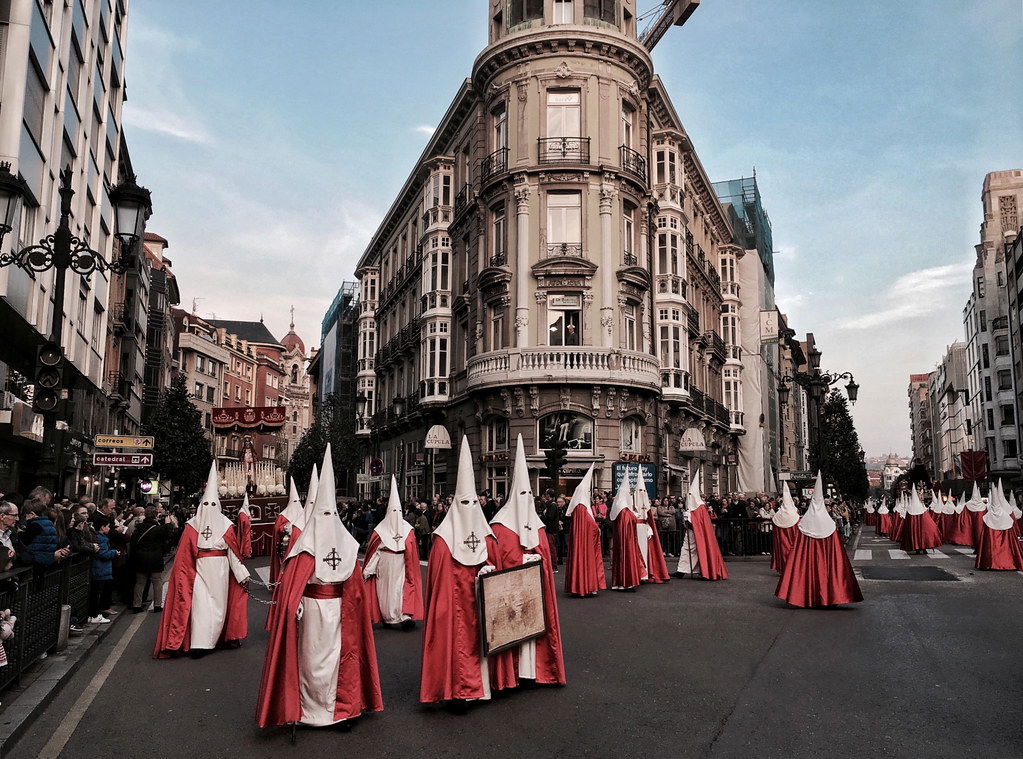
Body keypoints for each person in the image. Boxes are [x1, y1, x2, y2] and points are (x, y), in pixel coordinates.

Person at [256, 445, 382, 729]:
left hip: (339, 612)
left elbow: (355, 585)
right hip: (312, 611)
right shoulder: (305, 547)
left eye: (330, 514)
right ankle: (309, 710)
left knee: (339, 660)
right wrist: (296, 602)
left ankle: (341, 710)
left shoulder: (346, 546)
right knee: (310, 661)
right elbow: (292, 584)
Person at [420, 436, 497, 705]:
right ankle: (455, 689)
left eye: (473, 504)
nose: (468, 510)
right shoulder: (443, 540)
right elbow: (438, 582)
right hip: (454, 608)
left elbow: (495, 566)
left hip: (479, 604)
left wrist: (490, 572)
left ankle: (481, 688)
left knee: (480, 642)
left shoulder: (487, 537)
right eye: (463, 504)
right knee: (455, 643)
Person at [487, 435, 566, 691]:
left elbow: (545, 552)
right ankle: (512, 674)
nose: (525, 498)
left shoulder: (538, 524)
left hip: (534, 592)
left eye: (528, 494)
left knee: (534, 632)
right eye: (521, 493)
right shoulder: (500, 525)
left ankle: (533, 671)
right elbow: (500, 558)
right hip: (510, 595)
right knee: (511, 629)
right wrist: (523, 559)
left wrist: (538, 560)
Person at [153, 462, 250, 658]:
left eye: (212, 504)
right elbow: (184, 556)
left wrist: (242, 575)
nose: (208, 508)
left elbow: (233, 553)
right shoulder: (191, 526)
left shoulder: (226, 525)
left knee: (218, 608)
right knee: (200, 606)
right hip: (198, 572)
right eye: (205, 504)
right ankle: (200, 643)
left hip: (220, 573)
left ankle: (215, 639)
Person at [775, 473, 862, 608]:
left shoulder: (804, 524)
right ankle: (830, 595)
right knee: (828, 569)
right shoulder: (829, 524)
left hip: (809, 557)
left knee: (807, 569)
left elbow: (798, 551)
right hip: (826, 556)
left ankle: (806, 595)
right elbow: (837, 555)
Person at [362, 476, 424, 629]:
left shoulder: (407, 530)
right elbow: (375, 551)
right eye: (393, 511)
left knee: (400, 589)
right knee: (384, 592)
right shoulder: (380, 530)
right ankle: (386, 616)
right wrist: (369, 569)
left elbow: (411, 550)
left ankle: (403, 616)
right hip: (384, 563)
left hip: (401, 563)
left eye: (398, 511)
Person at [675, 472, 728, 581]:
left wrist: (691, 523)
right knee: (686, 550)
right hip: (690, 533)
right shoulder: (692, 507)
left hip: (697, 534)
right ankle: (681, 570)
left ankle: (702, 570)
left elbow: (701, 523)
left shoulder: (700, 507)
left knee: (698, 551)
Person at [563, 464, 605, 598]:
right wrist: (596, 527)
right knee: (587, 562)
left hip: (582, 541)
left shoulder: (578, 507)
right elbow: (590, 524)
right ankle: (585, 586)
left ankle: (581, 585)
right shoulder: (581, 507)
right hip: (585, 543)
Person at [974, 480, 1023, 570]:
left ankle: (993, 563)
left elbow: (985, 538)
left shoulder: (988, 516)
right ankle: (1008, 561)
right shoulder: (1006, 515)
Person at [130, 507, 169, 613]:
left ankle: (136, 605)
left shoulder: (139, 528)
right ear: (156, 515)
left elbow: (133, 544)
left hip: (140, 558)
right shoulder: (158, 528)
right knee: (157, 582)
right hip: (155, 558)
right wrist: (168, 523)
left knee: (140, 583)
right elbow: (168, 536)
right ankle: (157, 605)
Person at [609, 471, 644, 591]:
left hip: (622, 538)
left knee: (619, 558)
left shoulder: (620, 507)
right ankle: (626, 582)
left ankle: (618, 582)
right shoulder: (624, 509)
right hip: (626, 539)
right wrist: (635, 515)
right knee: (626, 558)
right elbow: (629, 520)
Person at [270, 478, 307, 584]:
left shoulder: (303, 513)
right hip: (285, 546)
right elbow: (277, 529)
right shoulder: (283, 516)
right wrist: (286, 528)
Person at [87, 516, 120, 624]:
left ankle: (97, 613)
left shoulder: (100, 537)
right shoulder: (101, 539)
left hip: (101, 569)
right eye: (108, 526)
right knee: (97, 593)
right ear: (102, 527)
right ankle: (95, 614)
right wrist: (114, 552)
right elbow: (103, 554)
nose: (109, 528)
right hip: (100, 569)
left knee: (99, 592)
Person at [900, 486, 942, 554]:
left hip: (914, 528)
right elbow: (928, 521)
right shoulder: (922, 509)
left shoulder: (910, 509)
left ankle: (917, 549)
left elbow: (907, 522)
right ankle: (924, 548)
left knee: (915, 536)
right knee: (923, 536)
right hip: (922, 528)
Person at [770, 483, 799, 574]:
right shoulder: (795, 515)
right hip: (792, 540)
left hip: (782, 541)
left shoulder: (778, 515)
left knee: (783, 552)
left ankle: (784, 569)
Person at [237, 492, 253, 560]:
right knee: (246, 542)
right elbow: (245, 523)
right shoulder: (242, 513)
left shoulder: (244, 512)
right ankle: (246, 553)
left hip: (246, 531)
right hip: (245, 532)